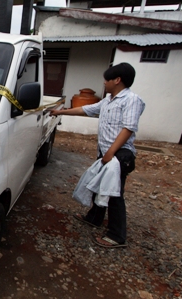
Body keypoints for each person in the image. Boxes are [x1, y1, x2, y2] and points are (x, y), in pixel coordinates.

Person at [50, 62, 145, 248]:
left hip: (119, 154)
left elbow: (128, 128)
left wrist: (111, 153)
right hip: (107, 152)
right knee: (100, 185)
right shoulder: (108, 100)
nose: (104, 83)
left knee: (114, 194)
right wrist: (60, 112)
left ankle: (117, 236)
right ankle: (94, 218)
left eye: (106, 79)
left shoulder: (131, 100)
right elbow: (85, 110)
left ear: (117, 80)